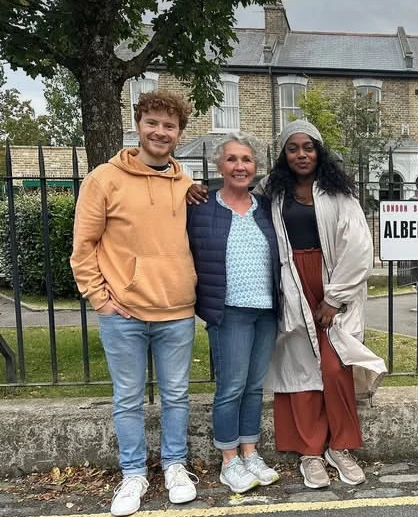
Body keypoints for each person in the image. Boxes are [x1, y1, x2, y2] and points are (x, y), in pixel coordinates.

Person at [70, 90, 199, 516]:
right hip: (123, 314)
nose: (160, 132)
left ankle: (175, 465)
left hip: (177, 311)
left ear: (179, 133)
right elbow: (83, 248)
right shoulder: (103, 179)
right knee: (127, 398)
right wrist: (100, 299)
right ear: (138, 125)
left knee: (176, 395)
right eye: (152, 123)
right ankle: (133, 474)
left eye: (169, 126)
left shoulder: (184, 183)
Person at [255, 119, 386, 489]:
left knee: (335, 365)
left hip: (331, 284)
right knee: (300, 368)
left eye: (308, 147)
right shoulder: (270, 191)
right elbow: (234, 201)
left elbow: (358, 247)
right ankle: (311, 451)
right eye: (293, 148)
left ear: (319, 151)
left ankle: (340, 446)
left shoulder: (338, 193)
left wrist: (333, 298)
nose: (301, 154)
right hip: (291, 285)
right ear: (283, 154)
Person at [186, 133, 281, 494]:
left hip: (266, 310)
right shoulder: (200, 206)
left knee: (254, 387)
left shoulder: (266, 207)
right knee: (231, 387)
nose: (240, 166)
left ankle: (250, 452)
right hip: (228, 312)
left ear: (256, 166)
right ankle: (229, 461)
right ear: (219, 165)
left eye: (247, 160)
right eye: (232, 159)